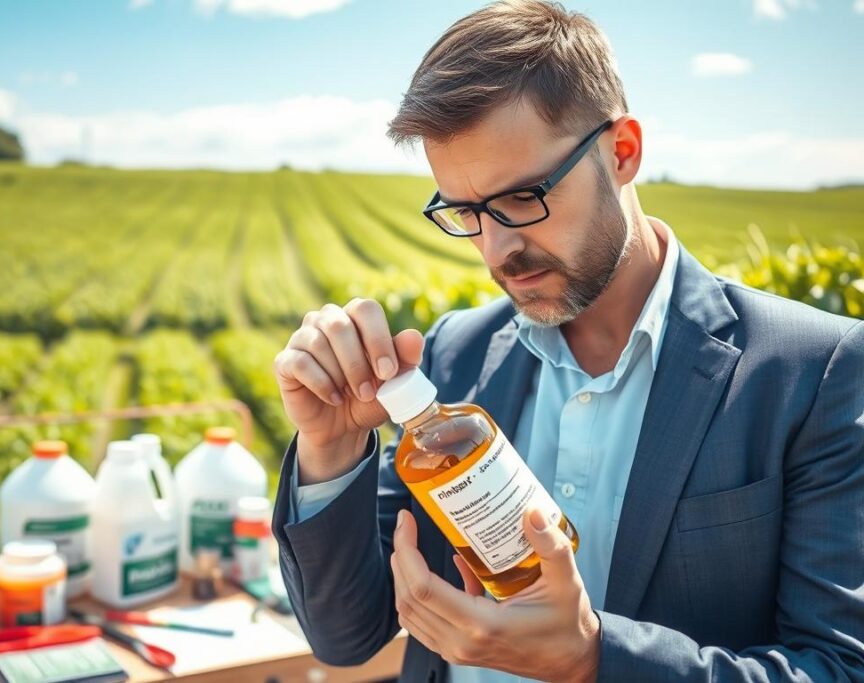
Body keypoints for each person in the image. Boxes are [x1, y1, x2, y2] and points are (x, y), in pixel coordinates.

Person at [270, 1, 864, 681]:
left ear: (623, 152)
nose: (498, 250)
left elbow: (838, 668)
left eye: (524, 197)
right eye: (466, 212)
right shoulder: (453, 355)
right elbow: (346, 635)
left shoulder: (812, 371)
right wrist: (331, 447)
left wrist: (593, 657)